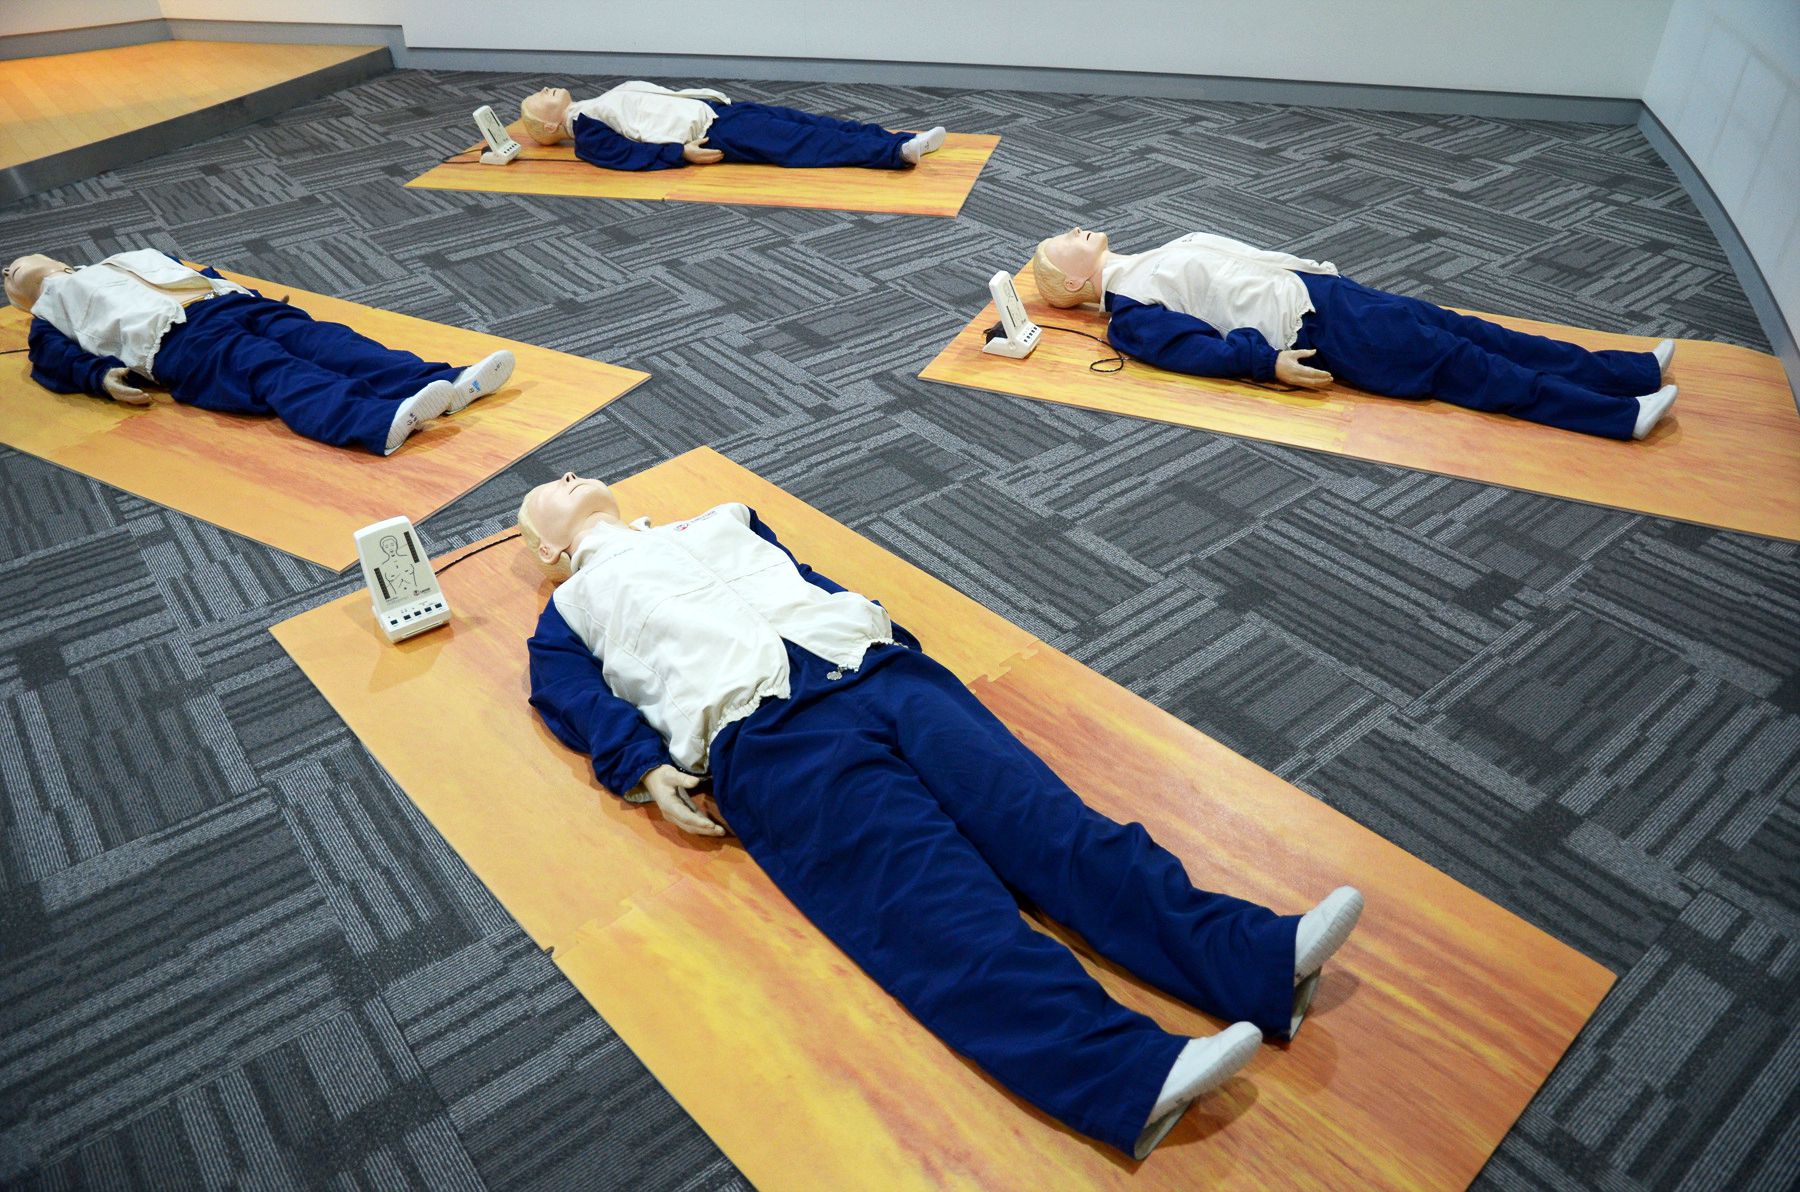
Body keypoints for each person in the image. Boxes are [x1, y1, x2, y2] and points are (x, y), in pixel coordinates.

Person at [518, 470, 1366, 1159]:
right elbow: (570, 696)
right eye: (549, 489)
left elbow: (810, 582)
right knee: (933, 905)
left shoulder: (723, 517)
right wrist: (643, 766)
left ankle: (1254, 955)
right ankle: (1126, 1072)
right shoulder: (569, 609)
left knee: (1050, 826)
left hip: (881, 673)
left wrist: (894, 639)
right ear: (549, 550)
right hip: (767, 737)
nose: (569, 474)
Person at [1032, 227, 1681, 441]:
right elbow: (1192, 351)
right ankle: (1617, 416)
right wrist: (1267, 364)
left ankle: (1627, 373)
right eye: (1062, 243)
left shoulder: (1144, 260)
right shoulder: (1132, 313)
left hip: (1325, 294)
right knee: (1468, 366)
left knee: (1473, 331)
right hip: (1319, 326)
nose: (1071, 231)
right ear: (1073, 281)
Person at [5, 249, 515, 455]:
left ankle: (445, 381)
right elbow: (53, 358)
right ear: (21, 302)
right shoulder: (49, 314)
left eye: (13, 265)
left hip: (229, 304)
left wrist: (246, 294)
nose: (9, 269)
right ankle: (376, 421)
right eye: (8, 278)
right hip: (177, 342)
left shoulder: (119, 257)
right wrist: (100, 377)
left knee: (330, 342)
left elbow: (194, 273)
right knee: (273, 370)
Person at [517, 82, 947, 172]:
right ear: (551, 124)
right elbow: (621, 154)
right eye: (539, 97)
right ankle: (895, 154)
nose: (543, 88)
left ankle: (899, 139)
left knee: (810, 122)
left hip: (720, 112)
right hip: (714, 134)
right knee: (804, 141)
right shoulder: (585, 127)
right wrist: (680, 153)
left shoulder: (590, 106)